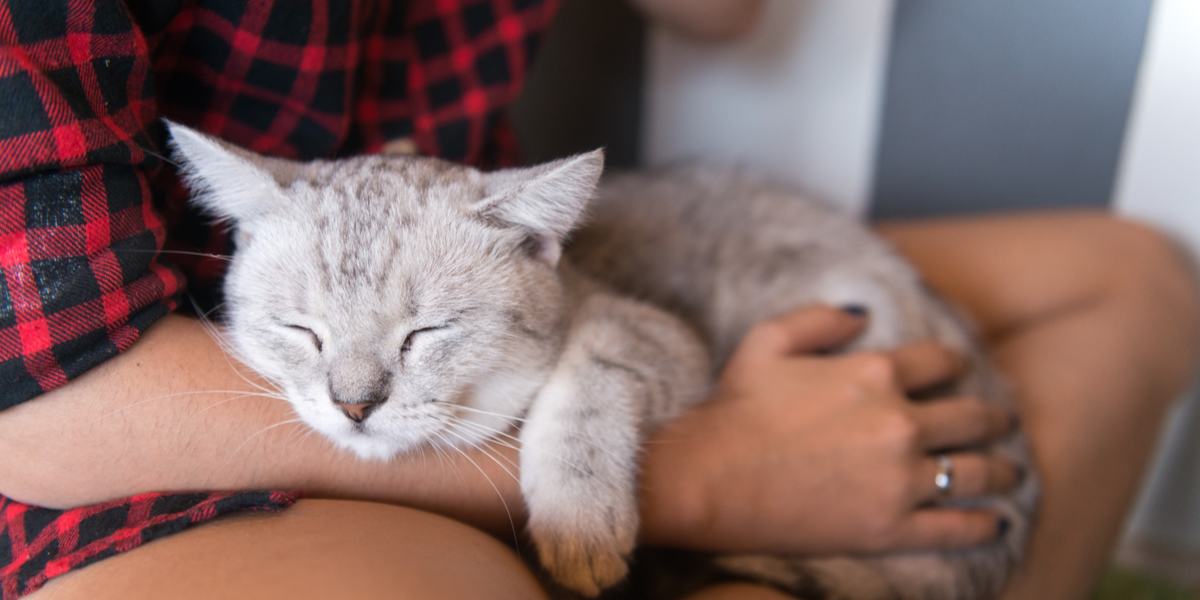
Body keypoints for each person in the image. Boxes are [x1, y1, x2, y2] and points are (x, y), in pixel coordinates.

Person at [0, 1, 1195, 598]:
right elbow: (46, 411)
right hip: (139, 414)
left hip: (497, 278)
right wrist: (730, 475)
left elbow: (726, 12)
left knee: (1134, 284)